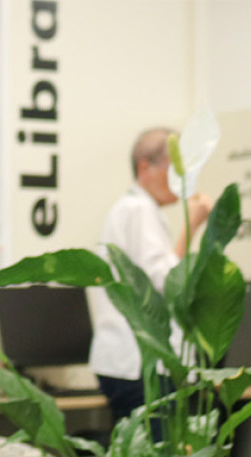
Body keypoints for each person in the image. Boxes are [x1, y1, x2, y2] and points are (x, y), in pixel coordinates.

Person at [88, 127, 213, 421]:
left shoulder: (133, 209)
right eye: (175, 168)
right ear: (145, 167)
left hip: (127, 363)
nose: (183, 179)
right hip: (138, 366)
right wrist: (192, 226)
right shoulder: (138, 210)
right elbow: (167, 280)